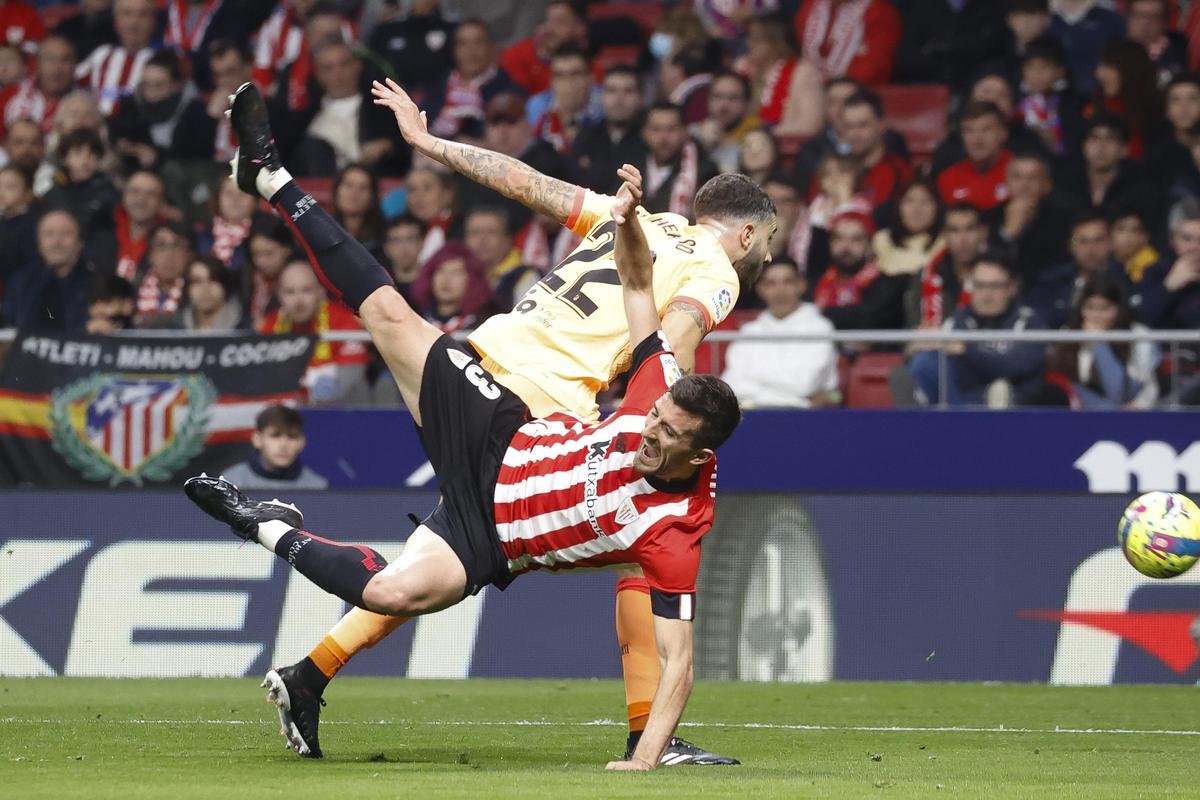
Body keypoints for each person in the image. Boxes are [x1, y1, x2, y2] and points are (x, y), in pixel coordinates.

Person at [222, 78, 774, 765]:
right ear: (746, 230)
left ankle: (308, 675)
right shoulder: (718, 268)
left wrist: (428, 143)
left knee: (438, 557)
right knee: (639, 536)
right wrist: (654, 413)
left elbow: (526, 182)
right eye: (769, 241)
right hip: (540, 402)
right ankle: (646, 735)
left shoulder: (632, 218)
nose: (769, 256)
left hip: (487, 349)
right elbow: (678, 339)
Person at [908, 252, 1046, 407]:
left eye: (995, 286)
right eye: (979, 285)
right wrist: (916, 349)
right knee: (927, 360)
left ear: (1012, 288)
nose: (986, 295)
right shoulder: (959, 319)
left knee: (999, 390)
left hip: (1016, 410)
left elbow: (1017, 365)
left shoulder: (1029, 321)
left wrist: (966, 348)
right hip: (962, 402)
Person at [722, 259, 839, 408]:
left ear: (801, 285)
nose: (780, 291)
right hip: (755, 418)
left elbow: (804, 385)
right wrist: (796, 399)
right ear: (760, 289)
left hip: (806, 420)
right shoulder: (749, 331)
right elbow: (732, 385)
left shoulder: (820, 329)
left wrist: (754, 381)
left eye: (788, 282)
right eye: (771, 284)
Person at [261, 259, 369, 406]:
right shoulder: (270, 325)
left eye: (306, 290)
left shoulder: (343, 321)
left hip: (334, 413)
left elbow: (351, 381)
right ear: (279, 295)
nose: (298, 301)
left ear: (320, 292)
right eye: (290, 292)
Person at [1046, 271, 1159, 409]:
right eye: (1090, 307)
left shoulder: (1138, 335)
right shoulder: (1069, 333)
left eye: (1104, 308)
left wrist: (1099, 343)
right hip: (1081, 413)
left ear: (1119, 309)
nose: (1096, 315)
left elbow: (1128, 390)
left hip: (1130, 411)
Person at [108, 48, 216, 172]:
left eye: (158, 85)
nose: (150, 94)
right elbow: (118, 131)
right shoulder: (132, 104)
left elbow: (196, 157)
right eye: (146, 85)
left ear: (176, 85)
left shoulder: (195, 111)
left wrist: (157, 158)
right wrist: (122, 144)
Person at [1023, 212, 1125, 329]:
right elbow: (1036, 315)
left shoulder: (1125, 278)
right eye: (1083, 241)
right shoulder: (1052, 281)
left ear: (1110, 244)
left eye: (1098, 240)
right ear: (1071, 246)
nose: (1090, 249)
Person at [811, 210, 907, 331]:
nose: (845, 247)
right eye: (839, 239)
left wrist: (819, 312)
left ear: (869, 246)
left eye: (856, 240)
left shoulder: (888, 286)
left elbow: (867, 316)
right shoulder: (816, 283)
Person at [423, 19, 518, 142]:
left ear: (491, 47)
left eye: (478, 42)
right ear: (454, 50)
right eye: (463, 44)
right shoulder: (440, 84)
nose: (471, 51)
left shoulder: (507, 89)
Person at [3, 210, 94, 331]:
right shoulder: (20, 284)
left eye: (66, 233)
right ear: (38, 244)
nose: (56, 242)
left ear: (80, 243)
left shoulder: (97, 285)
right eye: (48, 234)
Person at [568, 64, 646, 194]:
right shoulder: (586, 135)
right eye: (612, 90)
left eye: (628, 91)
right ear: (602, 96)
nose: (619, 99)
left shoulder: (649, 137)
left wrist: (594, 169)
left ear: (640, 97)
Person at [75, 0, 159, 118]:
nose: (134, 22)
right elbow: (69, 82)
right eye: (127, 14)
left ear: (154, 21)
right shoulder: (102, 55)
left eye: (143, 14)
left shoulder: (162, 60)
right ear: (116, 21)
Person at [637, 101, 719, 219]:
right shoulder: (630, 165)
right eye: (656, 129)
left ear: (685, 132)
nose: (663, 138)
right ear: (643, 133)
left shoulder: (705, 171)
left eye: (671, 129)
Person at [792, 0, 901, 86]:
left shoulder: (880, 13)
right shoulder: (811, 7)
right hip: (811, 89)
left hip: (859, 96)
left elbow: (874, 68)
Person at [220, 404, 329, 490]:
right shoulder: (231, 483)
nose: (283, 445)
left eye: (292, 436)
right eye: (275, 436)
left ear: (301, 442)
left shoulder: (317, 487)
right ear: (257, 439)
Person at [500, 0, 588, 96]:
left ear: (580, 27)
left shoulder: (591, 61)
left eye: (560, 22)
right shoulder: (516, 55)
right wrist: (544, 55)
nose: (549, 28)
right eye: (548, 20)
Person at [918, 202, 986, 327]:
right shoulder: (924, 276)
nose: (963, 239)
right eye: (954, 230)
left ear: (983, 232)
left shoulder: (997, 277)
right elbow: (915, 326)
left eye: (970, 229)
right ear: (945, 235)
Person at [936, 101, 1012, 211]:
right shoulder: (946, 179)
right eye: (969, 131)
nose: (977, 139)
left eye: (986, 129)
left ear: (1003, 133)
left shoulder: (1021, 174)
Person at [527, 45, 602, 155]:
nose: (568, 83)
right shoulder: (537, 105)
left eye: (575, 74)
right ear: (551, 81)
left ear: (590, 78)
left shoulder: (605, 103)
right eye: (560, 75)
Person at [0, 33, 76, 139]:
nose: (57, 68)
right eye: (50, 59)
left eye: (65, 60)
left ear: (75, 65)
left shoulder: (87, 103)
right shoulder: (8, 98)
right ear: (37, 64)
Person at [410, 241, 492, 333]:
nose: (446, 279)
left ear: (472, 280)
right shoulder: (415, 322)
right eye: (440, 271)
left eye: (456, 272)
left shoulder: (485, 327)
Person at [1049, 0, 1126, 96]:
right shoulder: (1045, 17)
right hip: (1053, 99)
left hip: (1099, 97)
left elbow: (1123, 60)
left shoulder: (1112, 20)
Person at [693, 71, 761, 176]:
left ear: (747, 103)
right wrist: (701, 146)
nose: (724, 105)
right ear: (708, 100)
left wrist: (721, 146)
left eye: (733, 98)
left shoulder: (757, 135)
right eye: (717, 97)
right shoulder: (693, 133)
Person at [134, 221, 193, 326]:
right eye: (161, 246)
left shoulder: (196, 293)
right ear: (150, 255)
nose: (169, 255)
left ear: (188, 254)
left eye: (177, 246)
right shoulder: (133, 291)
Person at [179, 254, 247, 331]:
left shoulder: (246, 327)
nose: (205, 289)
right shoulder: (175, 329)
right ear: (187, 289)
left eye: (213, 280)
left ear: (224, 286)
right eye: (197, 281)